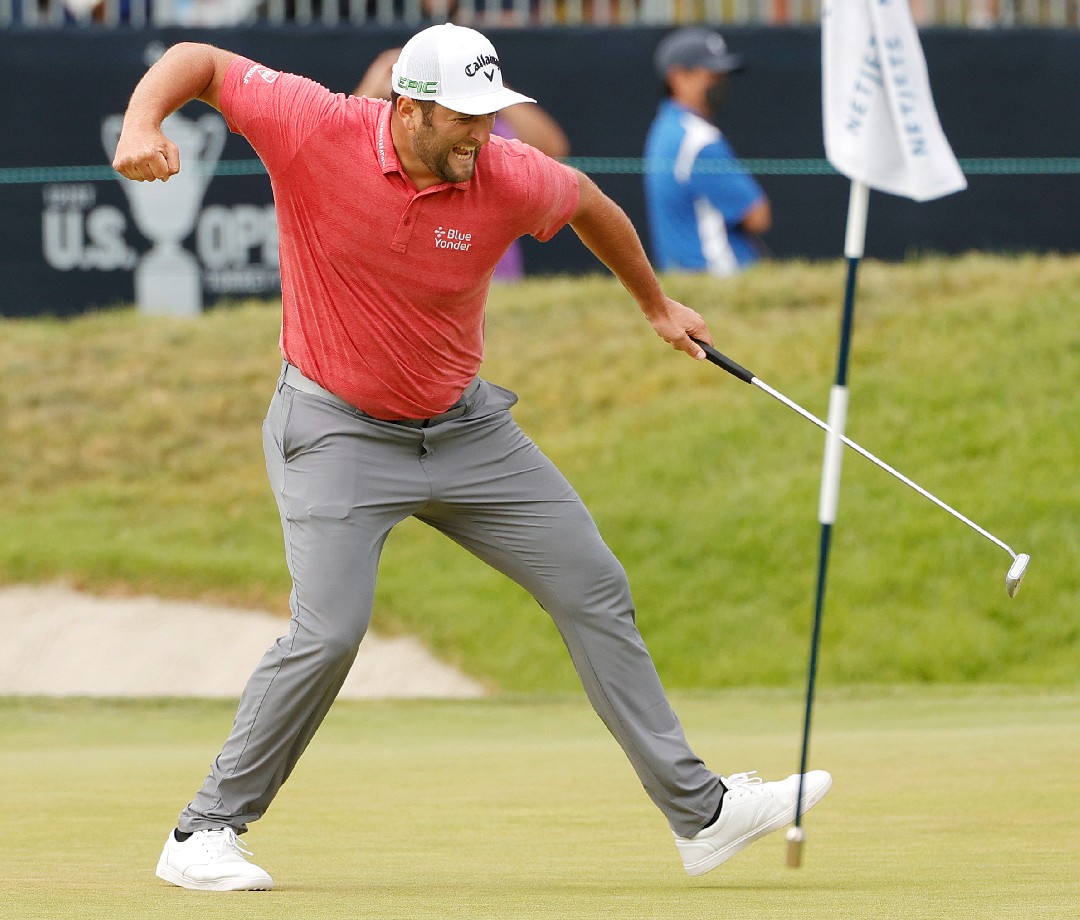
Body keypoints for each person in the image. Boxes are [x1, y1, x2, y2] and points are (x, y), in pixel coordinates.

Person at [112, 23, 831, 891]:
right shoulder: (316, 125)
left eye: (491, 114)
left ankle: (702, 816)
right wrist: (140, 125)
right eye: (464, 116)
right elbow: (200, 61)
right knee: (330, 629)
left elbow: (590, 205)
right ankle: (202, 833)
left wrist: (655, 304)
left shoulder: (506, 173)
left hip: (466, 431)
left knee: (592, 583)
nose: (483, 133)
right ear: (409, 107)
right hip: (335, 427)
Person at [353, 45, 569, 281]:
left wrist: (487, 85)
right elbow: (348, 144)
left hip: (494, 281)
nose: (478, 133)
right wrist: (374, 85)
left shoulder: (487, 129)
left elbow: (553, 149)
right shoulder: (380, 131)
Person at [644, 28, 772, 277]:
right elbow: (758, 216)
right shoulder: (698, 139)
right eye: (711, 75)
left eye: (722, 75)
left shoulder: (664, 128)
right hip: (721, 274)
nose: (720, 83)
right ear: (678, 77)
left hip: (684, 276)